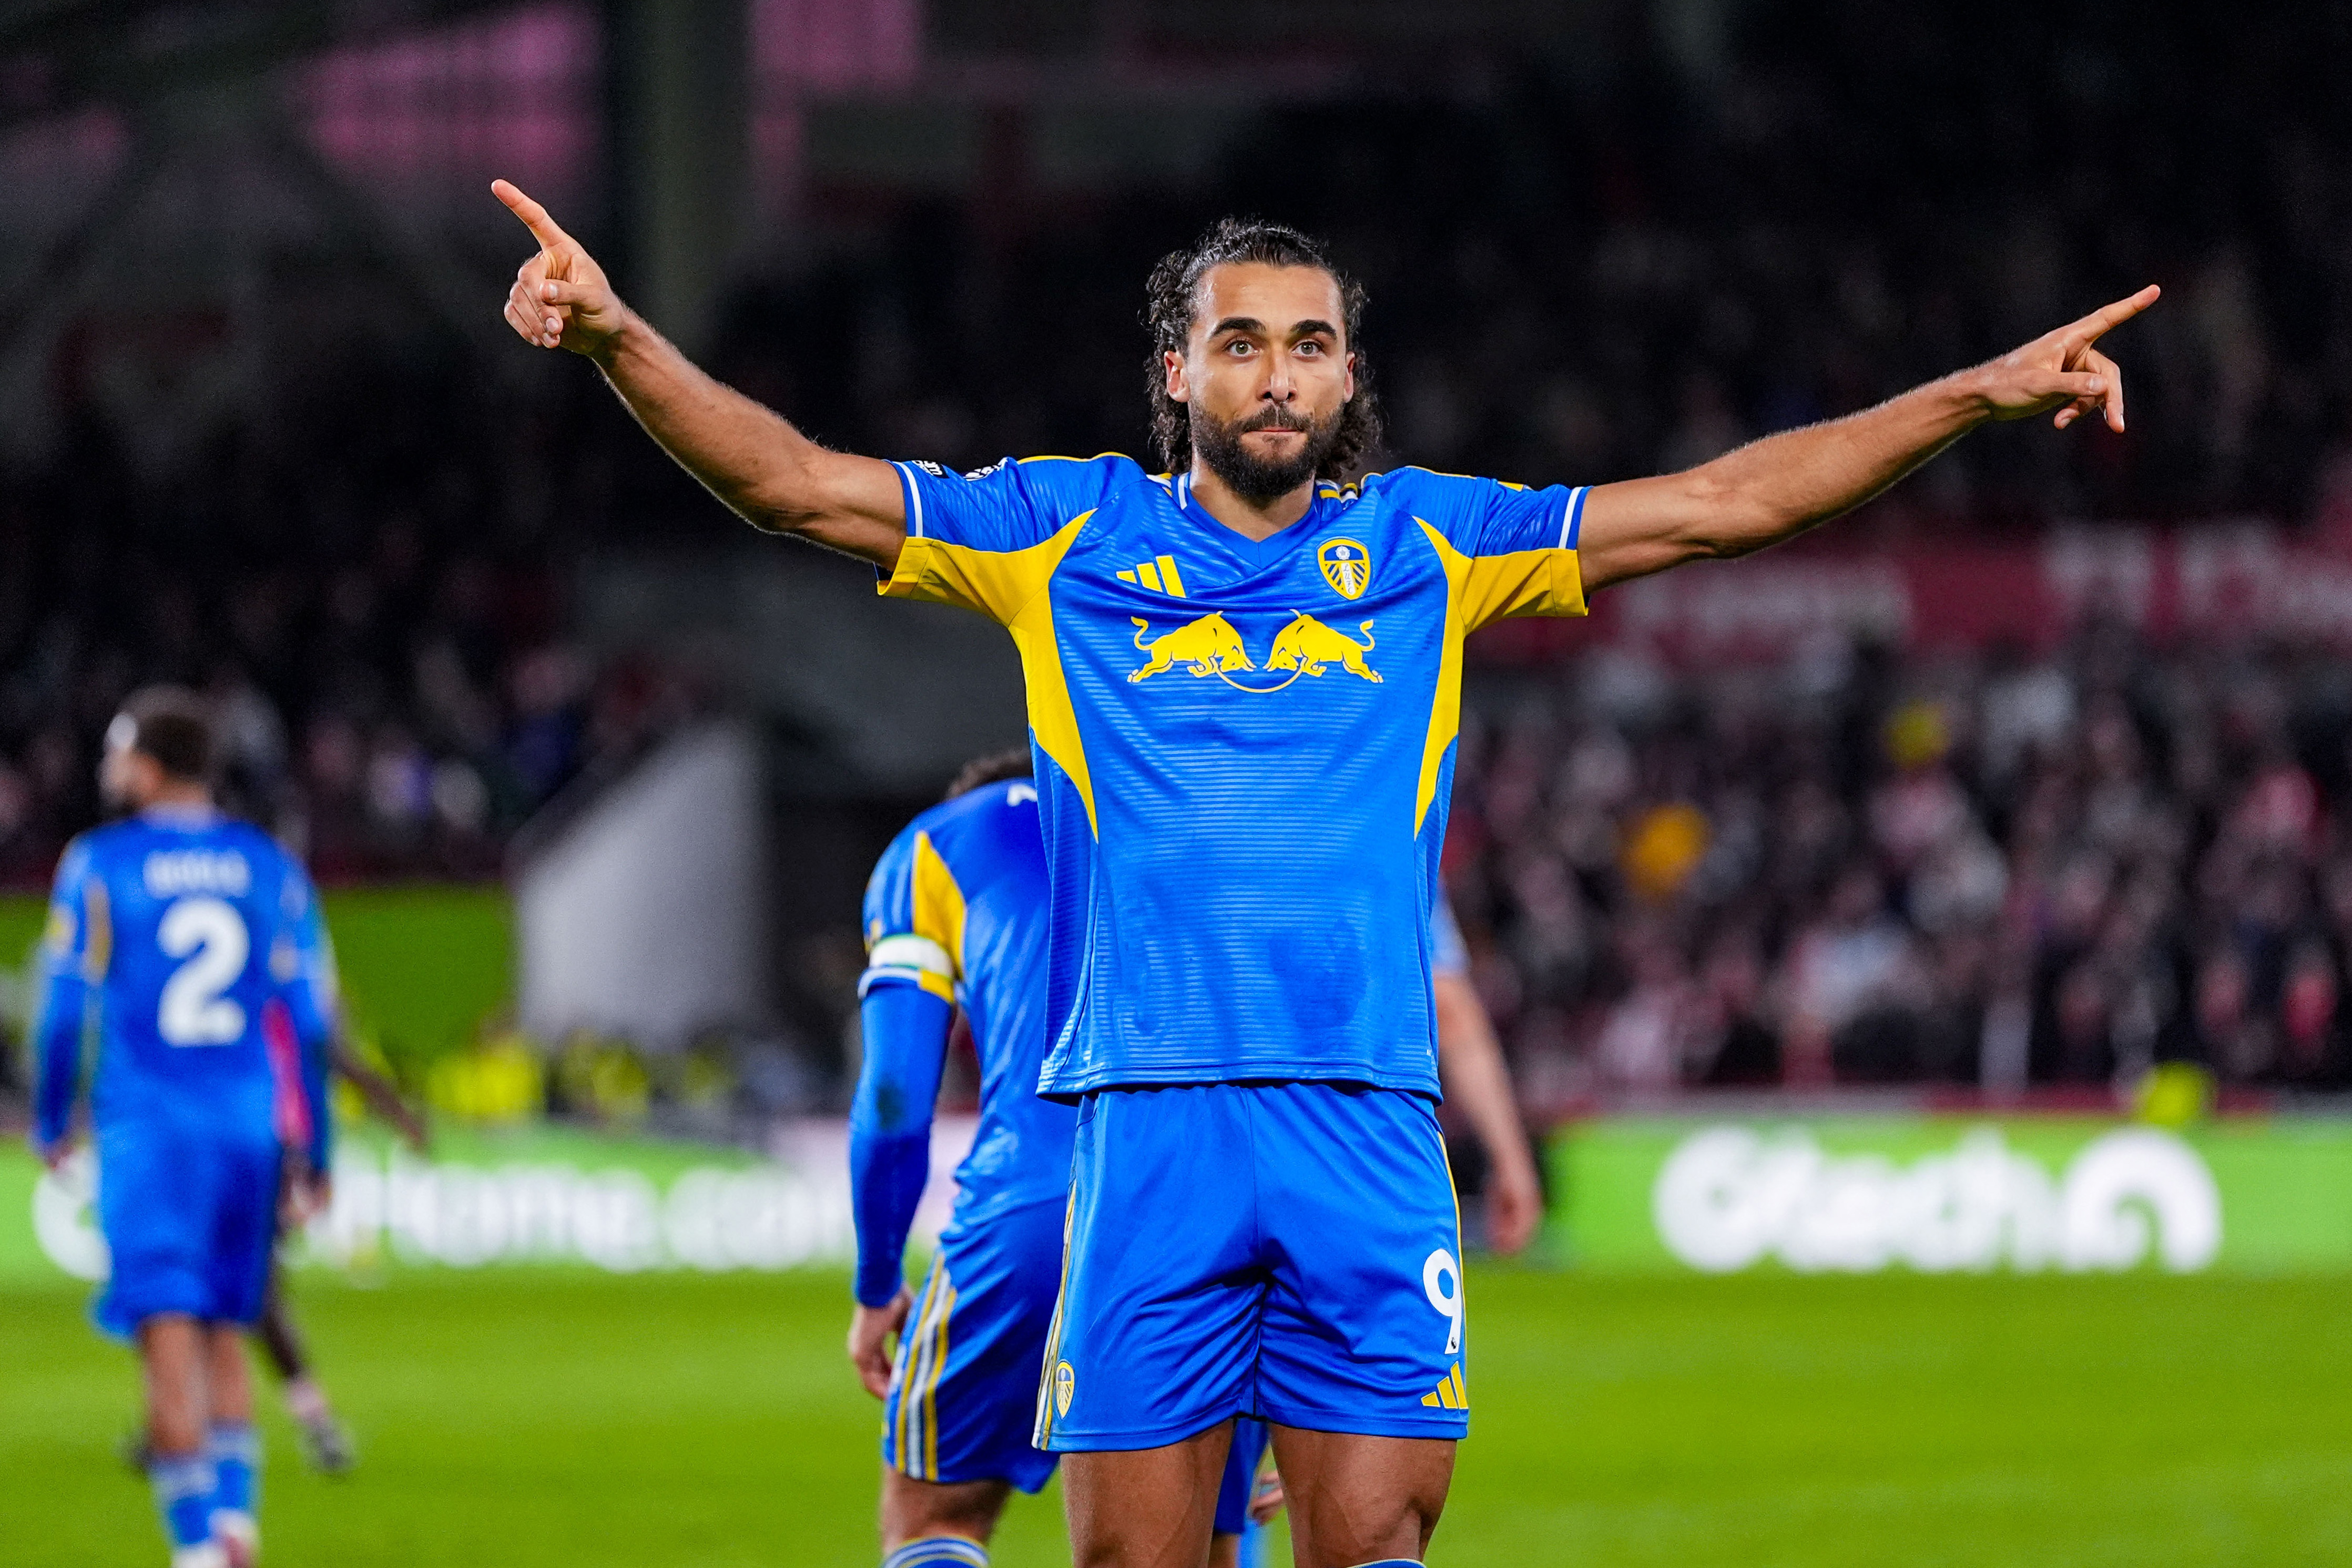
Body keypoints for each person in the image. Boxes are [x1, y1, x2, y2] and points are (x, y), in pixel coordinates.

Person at [493, 176, 2152, 1565]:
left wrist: (1973, 394)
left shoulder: (1435, 542)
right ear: (1177, 373)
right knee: (1135, 1554)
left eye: (1308, 345)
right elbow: (788, 484)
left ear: (1351, 378)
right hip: (1144, 1122)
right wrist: (623, 336)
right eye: (1239, 344)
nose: (1275, 374)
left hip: (1363, 1123)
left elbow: (1723, 505)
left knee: (1373, 1547)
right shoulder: (1057, 537)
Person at [849, 750, 1272, 1568]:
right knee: (1202, 1539)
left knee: (933, 1514)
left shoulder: (931, 846)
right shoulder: (1183, 820)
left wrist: (874, 1285)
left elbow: (897, 1102)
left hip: (1033, 1200)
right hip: (1209, 1216)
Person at [32, 689, 337, 1568]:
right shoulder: (270, 865)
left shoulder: (98, 863)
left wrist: (55, 1118)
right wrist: (316, 1151)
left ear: (150, 766)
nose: (106, 769)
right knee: (225, 1335)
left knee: (167, 1349)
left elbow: (63, 1012)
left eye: (115, 753)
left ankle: (199, 1554)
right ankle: (239, 1528)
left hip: (151, 1134)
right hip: (247, 1129)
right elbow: (311, 1026)